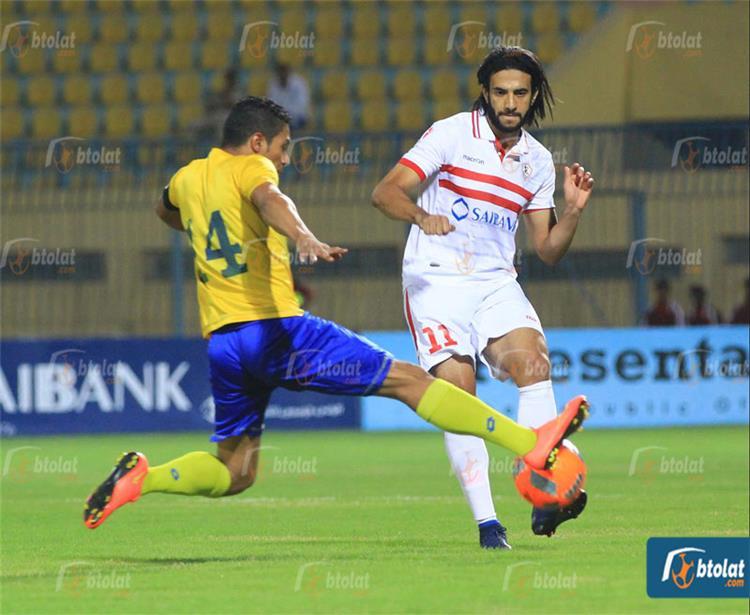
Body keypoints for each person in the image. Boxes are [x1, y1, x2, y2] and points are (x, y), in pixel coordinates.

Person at [83, 97, 589, 531]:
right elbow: (270, 196)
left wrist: (203, 228)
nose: (283, 159)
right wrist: (302, 235)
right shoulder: (253, 168)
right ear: (258, 142)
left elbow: (164, 209)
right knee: (412, 381)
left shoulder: (188, 178)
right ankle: (531, 442)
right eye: (282, 149)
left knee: (235, 472)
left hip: (224, 345)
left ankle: (141, 478)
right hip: (278, 331)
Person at [371, 47, 594, 549]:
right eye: (500, 92)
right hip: (436, 279)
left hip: (495, 280)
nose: (510, 102)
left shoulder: (536, 160)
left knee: (534, 364)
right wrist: (421, 216)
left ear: (532, 95)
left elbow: (547, 249)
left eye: (519, 92)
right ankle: (488, 524)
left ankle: (544, 495)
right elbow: (385, 192)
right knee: (458, 395)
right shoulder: (450, 134)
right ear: (486, 93)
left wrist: (574, 212)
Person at [266, 63, 310, 129]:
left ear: (289, 73)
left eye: (284, 73)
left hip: (298, 116)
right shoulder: (273, 84)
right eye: (280, 74)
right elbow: (272, 102)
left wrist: (287, 113)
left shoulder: (299, 83)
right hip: (281, 116)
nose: (282, 75)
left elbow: (302, 103)